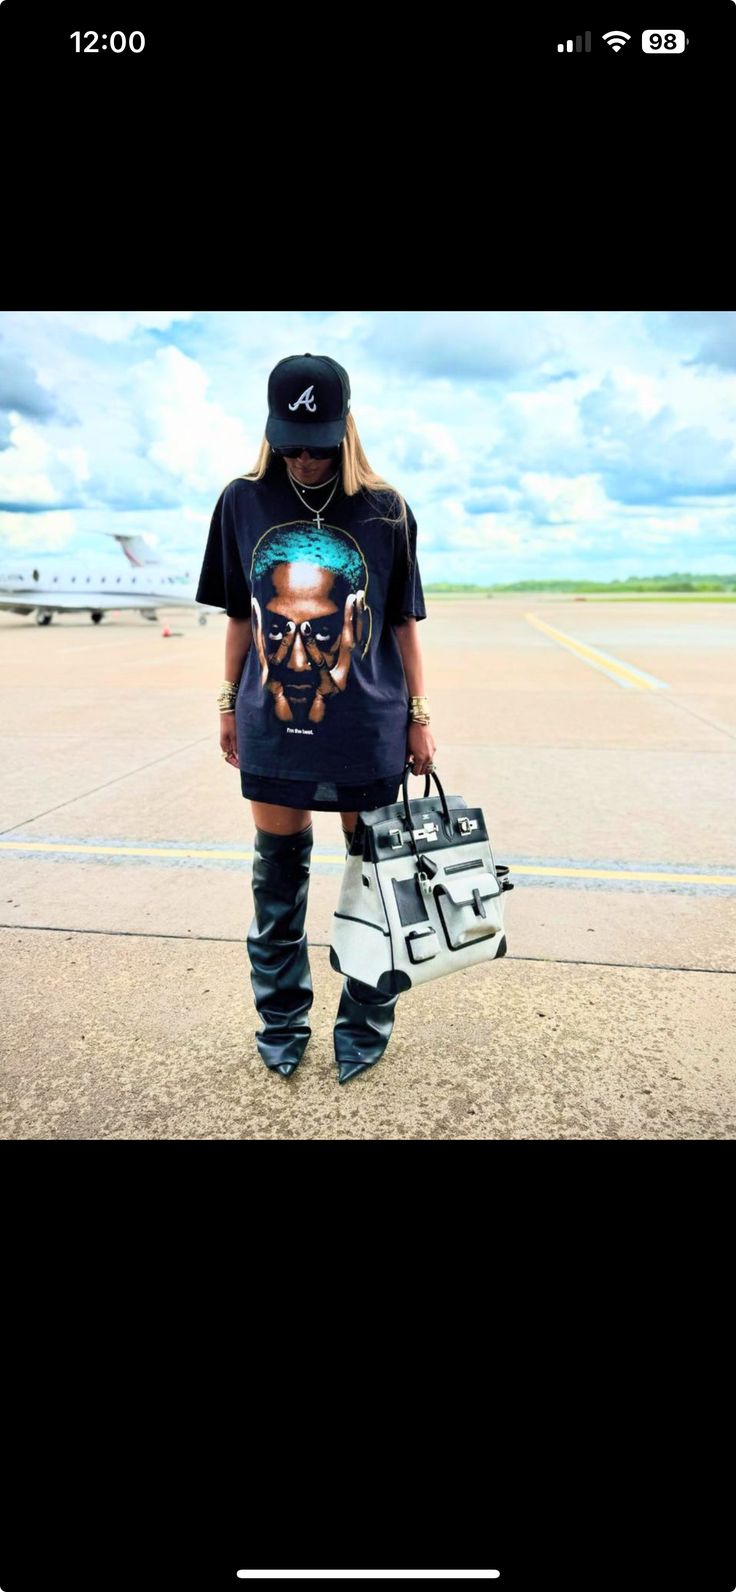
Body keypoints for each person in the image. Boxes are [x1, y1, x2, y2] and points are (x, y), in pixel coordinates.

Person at [195, 352, 437, 1084]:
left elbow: (403, 627)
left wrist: (420, 716)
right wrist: (227, 702)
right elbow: (240, 616)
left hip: (367, 729)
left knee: (374, 883)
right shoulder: (241, 501)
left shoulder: (387, 509)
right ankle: (281, 1019)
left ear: (346, 429)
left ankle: (365, 1019)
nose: (304, 459)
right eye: (291, 443)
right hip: (271, 732)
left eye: (319, 444)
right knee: (277, 884)